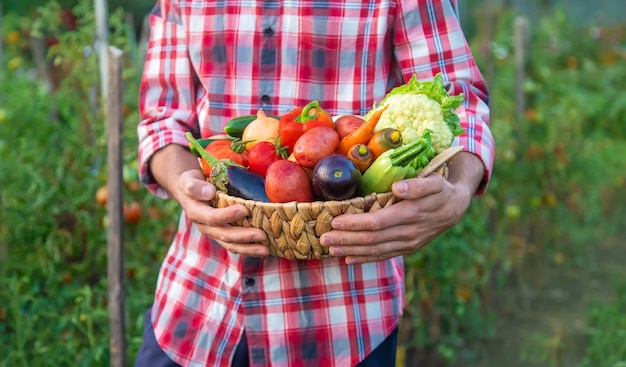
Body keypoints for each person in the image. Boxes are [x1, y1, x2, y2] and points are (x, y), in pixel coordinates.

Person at [135, 0, 495, 365]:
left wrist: (459, 192)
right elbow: (162, 119)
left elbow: (459, 104)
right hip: (198, 300)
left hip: (344, 320)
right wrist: (184, 182)